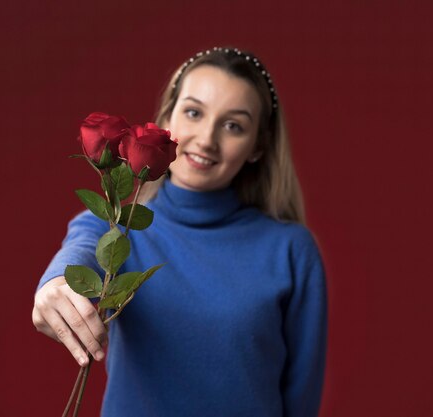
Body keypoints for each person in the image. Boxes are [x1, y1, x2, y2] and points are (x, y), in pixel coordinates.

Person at [32, 47, 327, 417]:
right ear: (167, 117)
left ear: (258, 146)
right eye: (193, 112)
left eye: (233, 125)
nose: (206, 139)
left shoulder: (291, 251)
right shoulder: (116, 223)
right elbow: (79, 249)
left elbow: (301, 397)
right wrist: (55, 285)